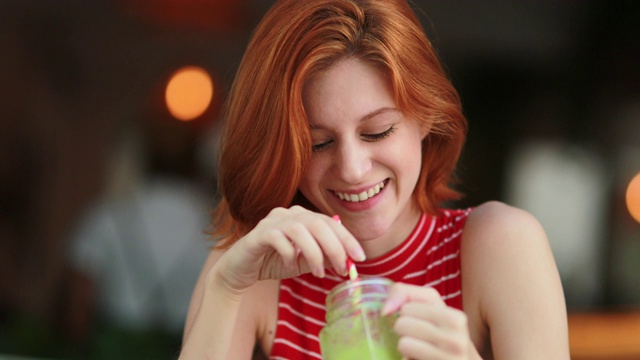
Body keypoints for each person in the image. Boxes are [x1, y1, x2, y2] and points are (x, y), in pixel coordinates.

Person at [180, 0, 570, 359]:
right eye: (319, 143)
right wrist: (225, 288)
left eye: (378, 131)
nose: (351, 168)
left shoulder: (498, 247)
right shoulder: (259, 266)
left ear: (426, 119)